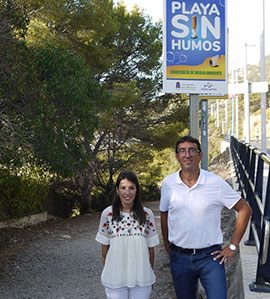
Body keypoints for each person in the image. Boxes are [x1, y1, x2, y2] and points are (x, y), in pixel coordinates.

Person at [160, 136, 252, 299]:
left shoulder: (216, 183)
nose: (187, 155)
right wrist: (168, 246)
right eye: (182, 151)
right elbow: (164, 213)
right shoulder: (168, 184)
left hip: (210, 257)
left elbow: (245, 209)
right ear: (177, 157)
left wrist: (232, 246)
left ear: (200, 155)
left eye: (192, 150)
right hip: (179, 258)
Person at [96, 170, 159, 299]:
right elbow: (104, 250)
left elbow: (151, 249)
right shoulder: (108, 214)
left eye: (131, 188)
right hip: (115, 279)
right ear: (117, 190)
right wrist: (111, 271)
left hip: (141, 279)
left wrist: (148, 272)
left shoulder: (147, 215)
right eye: (123, 188)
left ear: (137, 190)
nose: (127, 192)